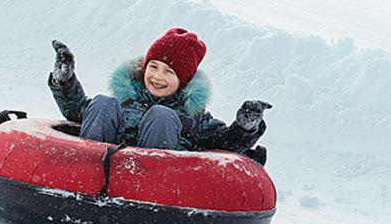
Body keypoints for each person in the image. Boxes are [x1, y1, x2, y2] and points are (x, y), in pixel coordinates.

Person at [48, 28, 271, 164]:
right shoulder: (127, 100)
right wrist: (65, 80)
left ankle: (149, 174)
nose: (157, 76)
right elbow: (78, 112)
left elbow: (227, 143)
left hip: (155, 183)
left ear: (183, 80)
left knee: (161, 115)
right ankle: (83, 166)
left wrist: (245, 126)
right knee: (103, 103)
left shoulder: (193, 117)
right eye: (153, 67)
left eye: (169, 72)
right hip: (101, 170)